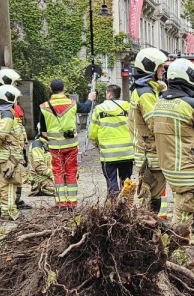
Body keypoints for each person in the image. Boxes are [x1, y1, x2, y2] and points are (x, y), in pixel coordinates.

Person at [149, 58, 194, 241]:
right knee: (183, 212)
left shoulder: (160, 102)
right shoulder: (192, 104)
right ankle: (174, 246)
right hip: (188, 168)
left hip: (170, 166)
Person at [129, 47, 170, 213]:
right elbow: (156, 124)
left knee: (152, 195)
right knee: (152, 197)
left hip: (147, 151)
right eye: (160, 66)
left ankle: (151, 229)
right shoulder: (146, 94)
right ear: (150, 68)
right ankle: (151, 231)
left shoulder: (144, 90)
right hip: (150, 154)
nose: (163, 69)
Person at [0, 85, 25, 221]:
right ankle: (9, 212)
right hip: (8, 158)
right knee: (8, 186)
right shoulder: (7, 114)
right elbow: (1, 134)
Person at [38, 78, 79, 208]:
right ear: (64, 89)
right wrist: (90, 98)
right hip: (71, 145)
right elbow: (87, 107)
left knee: (58, 172)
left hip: (55, 147)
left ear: (51, 90)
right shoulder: (72, 103)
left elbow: (43, 131)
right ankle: (72, 202)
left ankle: (61, 202)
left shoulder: (44, 107)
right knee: (71, 172)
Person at [89, 84, 135, 200]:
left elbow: (92, 133)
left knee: (111, 181)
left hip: (108, 154)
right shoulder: (127, 106)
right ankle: (126, 204)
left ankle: (115, 206)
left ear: (109, 94)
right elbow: (135, 126)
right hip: (126, 152)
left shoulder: (99, 108)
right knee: (126, 181)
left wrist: (97, 145)